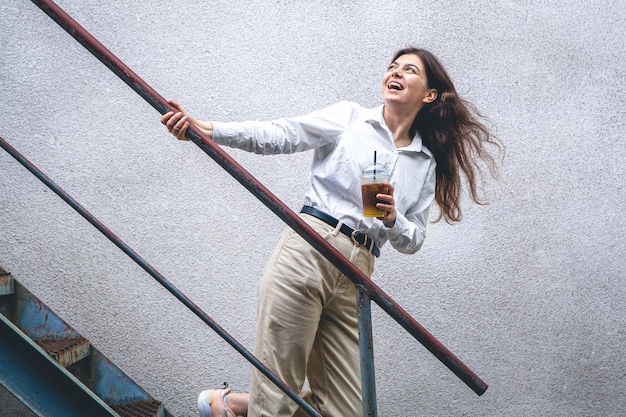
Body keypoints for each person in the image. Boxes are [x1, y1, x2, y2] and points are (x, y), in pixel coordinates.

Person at [161, 47, 502, 417]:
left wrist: (392, 219)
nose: (396, 73)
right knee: (277, 392)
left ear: (429, 94)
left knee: (349, 410)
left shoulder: (423, 163)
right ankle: (250, 404)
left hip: (358, 275)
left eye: (409, 70)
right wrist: (208, 129)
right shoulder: (350, 118)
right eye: (392, 67)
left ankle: (234, 404)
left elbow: (415, 238)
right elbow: (282, 134)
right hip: (310, 249)